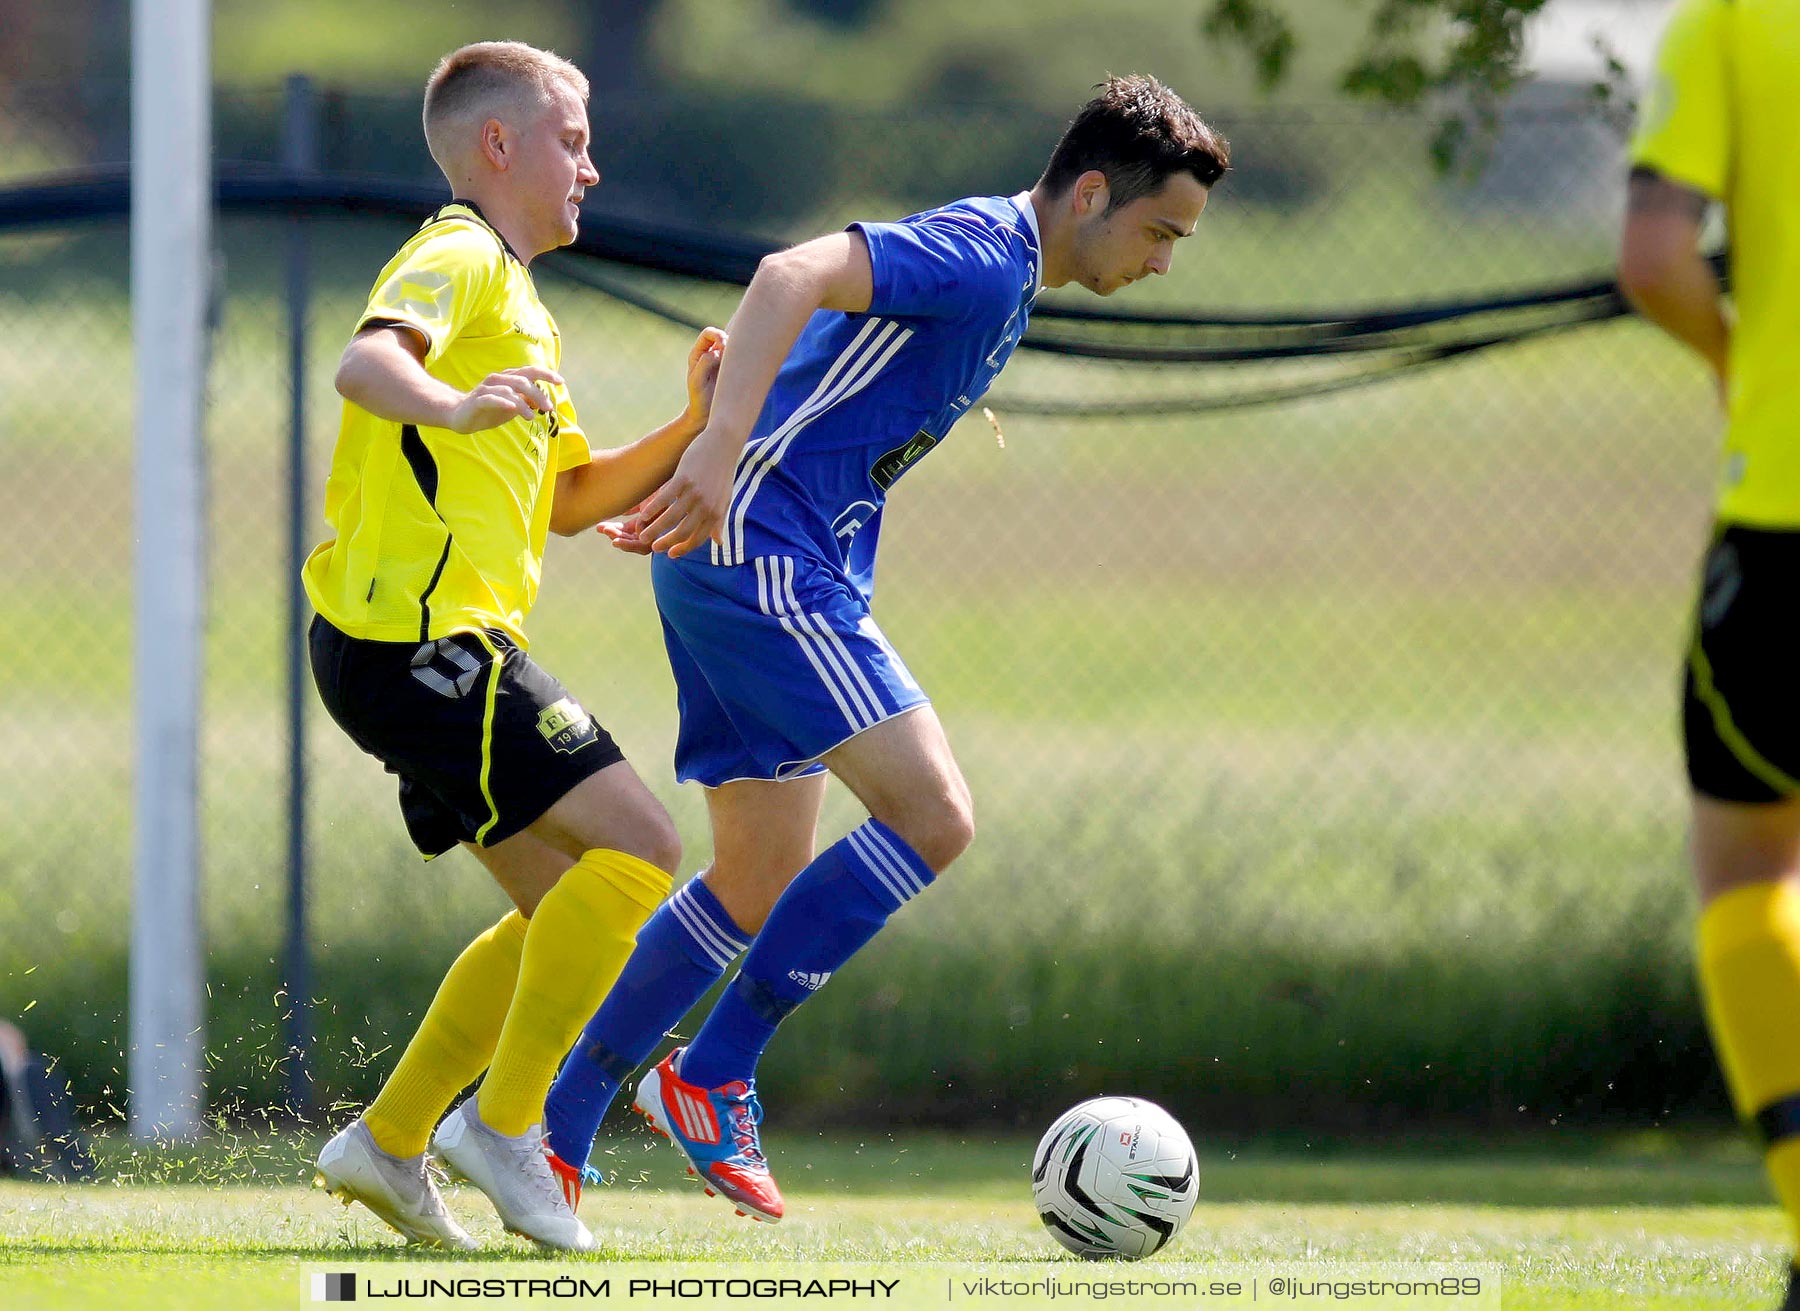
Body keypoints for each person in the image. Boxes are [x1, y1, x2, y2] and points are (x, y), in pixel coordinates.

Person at [539, 74, 1228, 1224]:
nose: (1164, 260)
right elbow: (787, 274)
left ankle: (545, 1129)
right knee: (935, 817)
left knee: (757, 871)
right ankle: (709, 1077)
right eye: (1160, 231)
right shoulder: (982, 251)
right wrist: (711, 449)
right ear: (1092, 191)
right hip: (761, 554)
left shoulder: (1012, 281)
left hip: (748, 560)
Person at [305, 40, 723, 1252]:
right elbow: (366, 360)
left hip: (404, 655)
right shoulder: (460, 256)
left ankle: (385, 1143)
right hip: (425, 643)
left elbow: (571, 495)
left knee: (567, 916)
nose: (591, 167)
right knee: (643, 847)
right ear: (500, 146)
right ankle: (503, 1127)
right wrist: (446, 402)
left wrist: (692, 427)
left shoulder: (521, 304)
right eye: (573, 141)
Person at [1619, 3, 1800, 1306]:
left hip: (1787, 523)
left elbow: (1656, 254)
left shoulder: (1735, 19)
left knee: (1752, 855)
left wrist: (1747, 366)